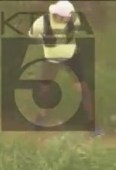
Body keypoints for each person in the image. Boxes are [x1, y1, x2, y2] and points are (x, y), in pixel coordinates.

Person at [27, 0, 102, 138]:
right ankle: (41, 118)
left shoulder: (75, 20)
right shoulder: (40, 24)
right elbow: (32, 35)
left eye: (69, 16)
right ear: (56, 14)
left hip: (72, 57)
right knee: (45, 88)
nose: (68, 18)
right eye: (65, 16)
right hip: (51, 58)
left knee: (83, 89)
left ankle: (92, 126)